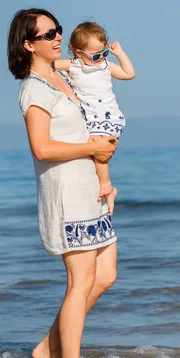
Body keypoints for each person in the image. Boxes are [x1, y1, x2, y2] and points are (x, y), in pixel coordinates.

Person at [8, 8, 119, 358]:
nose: (58, 37)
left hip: (91, 189)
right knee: (80, 281)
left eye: (58, 30)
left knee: (105, 275)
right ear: (28, 45)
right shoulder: (34, 89)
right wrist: (92, 150)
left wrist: (104, 172)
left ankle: (48, 345)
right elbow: (41, 148)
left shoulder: (63, 77)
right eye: (48, 34)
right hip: (67, 194)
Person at [54, 22, 135, 216]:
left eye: (103, 53)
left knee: (98, 147)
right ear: (77, 52)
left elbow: (129, 74)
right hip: (91, 119)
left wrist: (119, 54)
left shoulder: (106, 66)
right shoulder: (73, 65)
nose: (100, 59)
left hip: (108, 116)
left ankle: (107, 185)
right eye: (96, 55)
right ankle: (105, 185)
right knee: (92, 150)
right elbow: (48, 65)